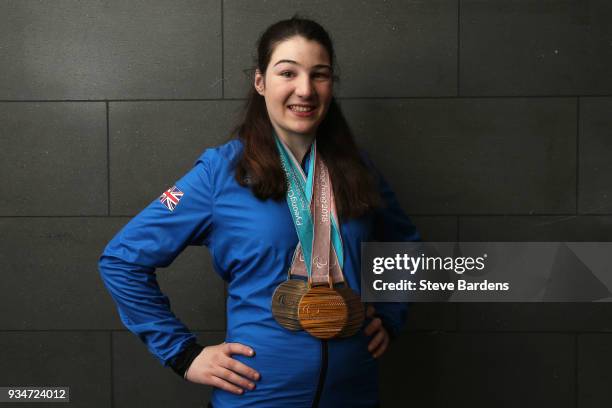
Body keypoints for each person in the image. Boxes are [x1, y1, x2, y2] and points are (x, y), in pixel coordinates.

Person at [98, 15, 420, 408]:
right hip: (258, 398)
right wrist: (184, 355)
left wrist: (390, 314)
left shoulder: (358, 168)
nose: (305, 89)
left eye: (319, 75)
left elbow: (406, 244)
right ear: (260, 82)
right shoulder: (221, 172)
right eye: (288, 72)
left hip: (354, 396)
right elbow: (121, 260)